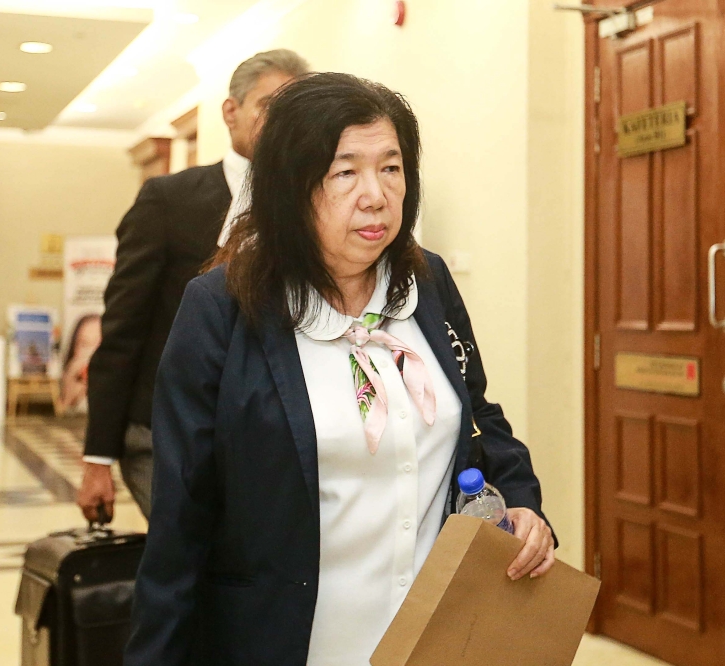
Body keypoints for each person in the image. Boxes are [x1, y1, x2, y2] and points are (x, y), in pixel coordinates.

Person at [125, 73, 557, 666]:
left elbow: (476, 413)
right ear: (289, 186)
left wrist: (524, 502)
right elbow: (180, 520)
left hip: (434, 640)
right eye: (344, 172)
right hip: (288, 643)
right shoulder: (220, 308)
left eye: (391, 168)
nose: (376, 195)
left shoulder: (426, 283)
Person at [77, 49, 310, 522]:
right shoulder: (169, 200)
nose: (281, 121)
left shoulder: (316, 203)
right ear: (231, 111)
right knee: (188, 554)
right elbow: (123, 326)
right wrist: (98, 457)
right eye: (268, 105)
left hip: (267, 436)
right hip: (163, 432)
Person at [60, 313, 102, 411]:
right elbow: (61, 409)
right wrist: (69, 389)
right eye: (84, 344)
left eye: (98, 343)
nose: (91, 351)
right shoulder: (71, 378)